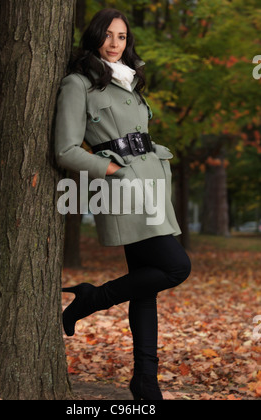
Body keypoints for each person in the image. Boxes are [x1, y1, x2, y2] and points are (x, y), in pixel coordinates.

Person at [55, 8, 191, 401]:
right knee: (176, 266)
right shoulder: (78, 84)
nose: (116, 44)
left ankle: (145, 382)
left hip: (152, 185)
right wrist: (115, 172)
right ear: (94, 37)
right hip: (124, 188)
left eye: (122, 37)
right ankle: (89, 300)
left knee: (146, 289)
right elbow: (65, 149)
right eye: (108, 35)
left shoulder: (130, 81)